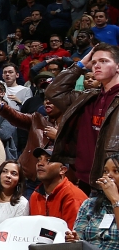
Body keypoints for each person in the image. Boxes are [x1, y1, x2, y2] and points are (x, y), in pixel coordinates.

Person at [47, 44, 119, 194]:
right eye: (94, 62)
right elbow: (54, 92)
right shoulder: (87, 97)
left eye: (104, 61)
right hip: (84, 180)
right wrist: (80, 65)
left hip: (112, 183)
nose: (97, 65)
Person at [29, 148, 87, 229]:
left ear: (62, 170)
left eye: (48, 160)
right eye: (39, 159)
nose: (40, 164)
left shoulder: (73, 197)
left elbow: (74, 237)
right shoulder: (35, 195)